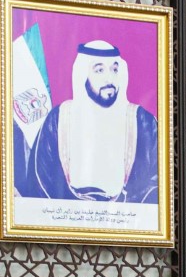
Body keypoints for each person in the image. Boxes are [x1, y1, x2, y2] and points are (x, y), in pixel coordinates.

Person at [24, 40, 161, 203]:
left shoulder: (143, 122)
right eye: (99, 70)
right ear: (83, 74)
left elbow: (159, 183)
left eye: (114, 70)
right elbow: (40, 183)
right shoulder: (59, 119)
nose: (109, 79)